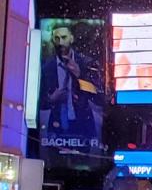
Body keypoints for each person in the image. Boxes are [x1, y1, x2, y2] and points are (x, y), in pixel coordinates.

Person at [39, 22, 106, 155]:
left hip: (83, 126)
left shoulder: (87, 63)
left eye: (64, 37)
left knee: (83, 167)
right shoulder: (46, 67)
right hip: (56, 127)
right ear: (52, 40)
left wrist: (80, 76)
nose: (60, 42)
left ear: (71, 38)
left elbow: (99, 98)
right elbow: (39, 102)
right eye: (56, 38)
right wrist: (51, 99)